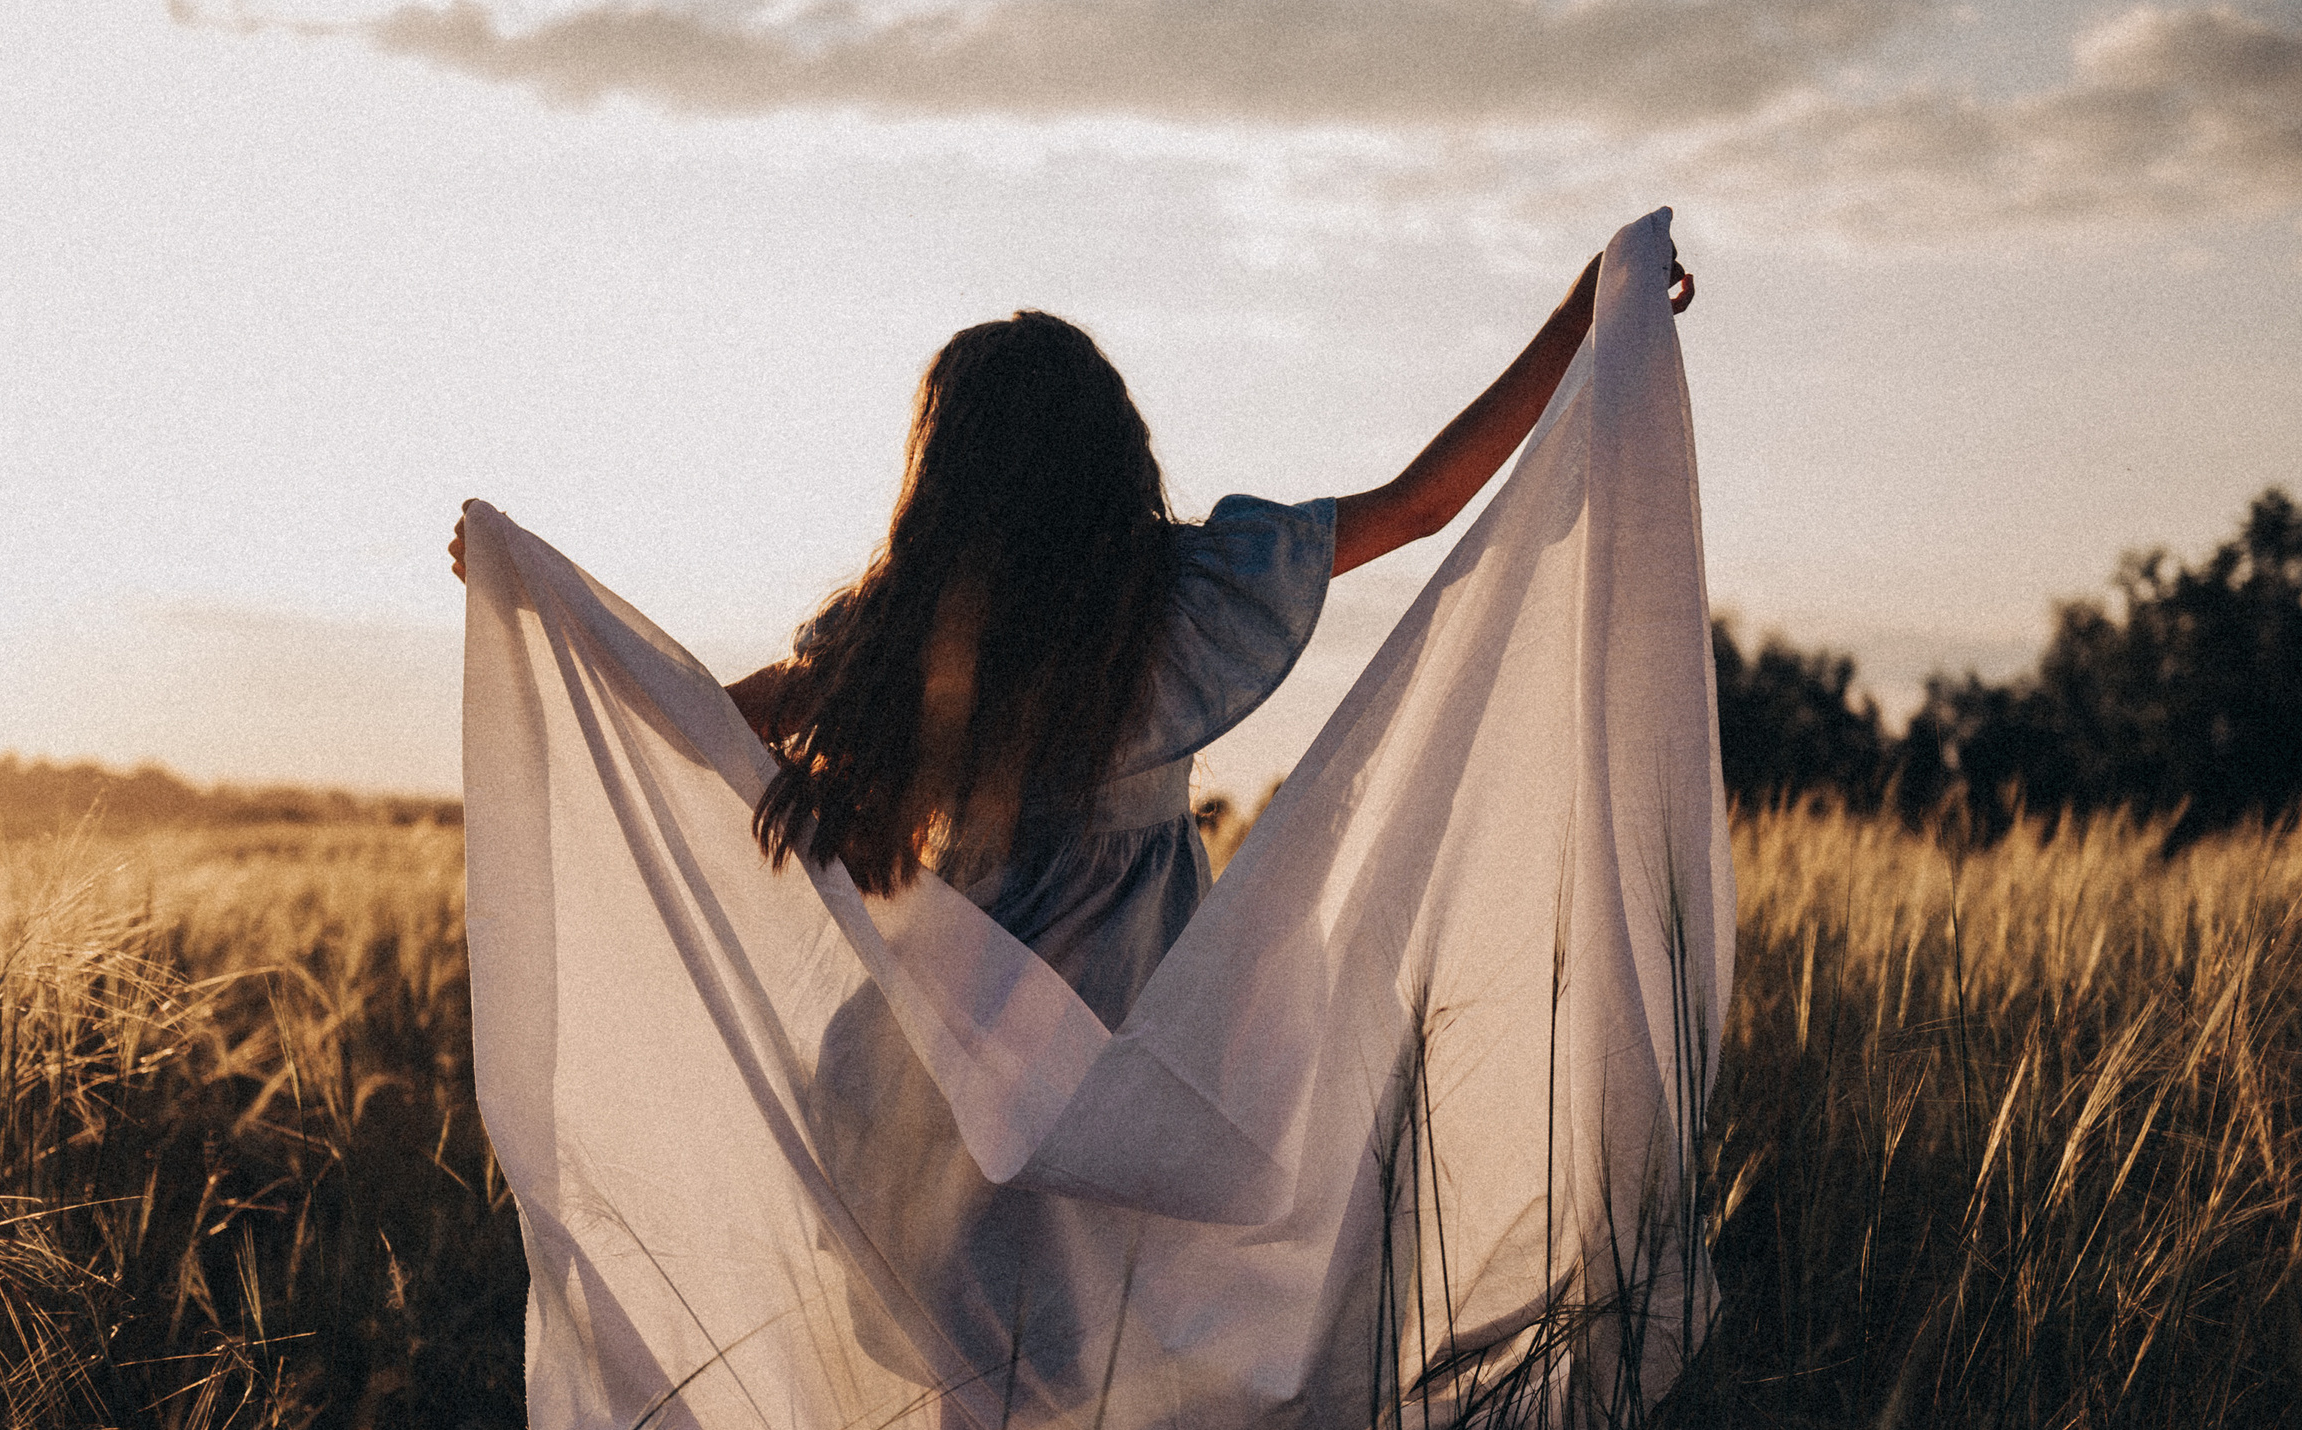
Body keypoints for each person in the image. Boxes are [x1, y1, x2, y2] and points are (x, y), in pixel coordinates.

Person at [452, 250, 1691, 1032]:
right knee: (1105, 1362)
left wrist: (527, 608)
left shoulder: (894, 641)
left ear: (939, 478)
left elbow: (688, 711)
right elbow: (1420, 502)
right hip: (1134, 1028)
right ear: (1111, 454)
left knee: (959, 1374)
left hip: (954, 1029)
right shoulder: (1177, 603)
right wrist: (1581, 318)